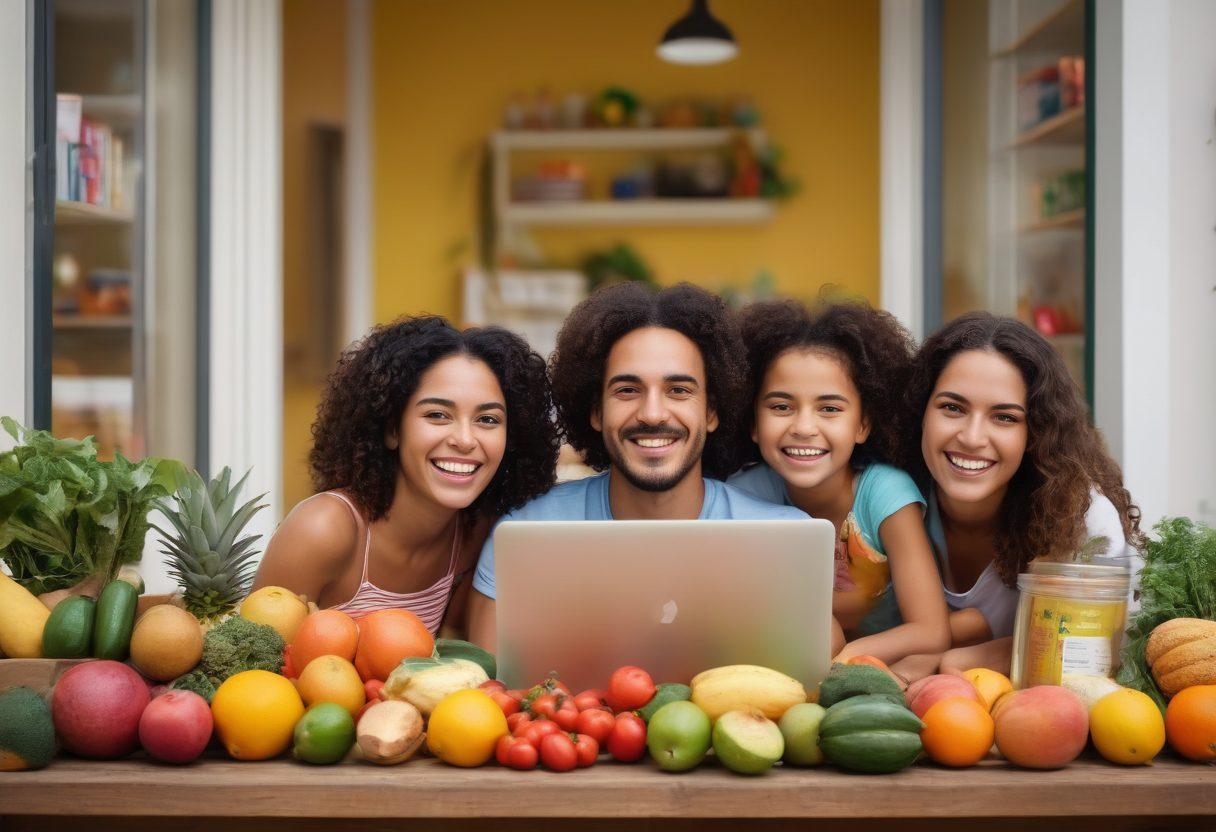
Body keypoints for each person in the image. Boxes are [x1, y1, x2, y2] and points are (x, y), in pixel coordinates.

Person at [467, 282, 810, 649]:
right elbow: (489, 683)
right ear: (596, 411)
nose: (652, 414)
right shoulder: (526, 533)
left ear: (712, 411)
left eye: (678, 390)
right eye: (627, 390)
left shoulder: (786, 540)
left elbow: (816, 660)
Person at [253, 316, 559, 636]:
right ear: (392, 428)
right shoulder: (323, 529)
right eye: (437, 415)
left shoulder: (477, 533)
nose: (465, 440)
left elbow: (456, 656)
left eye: (487, 419)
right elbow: (249, 670)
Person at [892, 312, 1144, 681]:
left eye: (1005, 417)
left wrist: (952, 659)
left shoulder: (1079, 516)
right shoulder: (884, 498)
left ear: (1037, 433)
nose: (973, 437)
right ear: (920, 412)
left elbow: (1091, 650)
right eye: (952, 407)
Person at [727, 299, 949, 663]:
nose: (803, 427)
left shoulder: (886, 495)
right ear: (752, 422)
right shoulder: (741, 496)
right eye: (781, 407)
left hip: (877, 667)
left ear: (863, 425)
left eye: (829, 409)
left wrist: (845, 657)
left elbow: (931, 630)